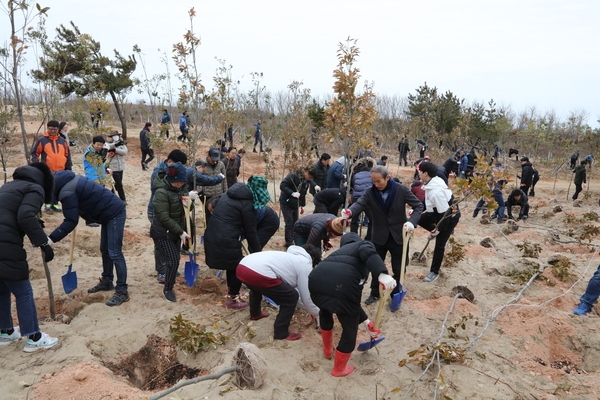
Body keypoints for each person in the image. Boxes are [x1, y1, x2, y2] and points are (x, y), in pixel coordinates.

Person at [308, 232, 396, 377]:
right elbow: (351, 302)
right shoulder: (362, 245)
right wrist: (382, 274)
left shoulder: (336, 254)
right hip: (342, 283)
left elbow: (350, 302)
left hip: (316, 281)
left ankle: (328, 351)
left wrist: (367, 321)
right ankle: (339, 369)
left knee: (325, 311)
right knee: (350, 328)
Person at [344, 165, 423, 307]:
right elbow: (360, 204)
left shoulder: (401, 190)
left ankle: (394, 293)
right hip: (379, 236)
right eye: (373, 181)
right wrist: (349, 213)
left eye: (378, 181)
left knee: (400, 267)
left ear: (387, 177)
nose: (376, 184)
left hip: (399, 236)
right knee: (376, 265)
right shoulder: (370, 192)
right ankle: (375, 293)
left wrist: (412, 222)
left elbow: (418, 206)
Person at [0, 162, 59, 352]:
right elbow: (24, 216)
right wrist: (43, 244)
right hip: (6, 243)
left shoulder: (8, 186)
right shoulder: (35, 188)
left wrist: (36, 223)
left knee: (2, 287)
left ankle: (5, 331)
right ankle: (34, 337)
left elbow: (12, 212)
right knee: (23, 291)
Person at [49, 170, 129, 307]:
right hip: (106, 212)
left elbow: (70, 221)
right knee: (105, 249)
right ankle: (107, 280)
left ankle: (122, 290)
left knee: (114, 252)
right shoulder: (66, 181)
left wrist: (51, 238)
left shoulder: (67, 192)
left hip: (114, 211)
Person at [236, 244, 321, 341]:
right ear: (313, 259)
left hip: (242, 267)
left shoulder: (289, 257)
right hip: (257, 272)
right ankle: (281, 333)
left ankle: (255, 314)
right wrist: (319, 312)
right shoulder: (305, 264)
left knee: (256, 287)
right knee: (291, 296)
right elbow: (305, 298)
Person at [204, 182, 262, 309]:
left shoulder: (226, 195)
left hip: (212, 234)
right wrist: (258, 254)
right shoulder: (248, 204)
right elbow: (251, 232)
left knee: (232, 264)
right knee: (239, 266)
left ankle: (232, 291)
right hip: (226, 239)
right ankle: (232, 300)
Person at [151, 162, 196, 302]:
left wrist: (190, 200)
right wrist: (181, 232)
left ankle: (170, 281)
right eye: (177, 183)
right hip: (163, 232)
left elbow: (187, 209)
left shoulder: (182, 188)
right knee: (172, 261)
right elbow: (164, 217)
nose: (180, 185)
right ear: (171, 180)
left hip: (176, 230)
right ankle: (168, 289)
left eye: (182, 182)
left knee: (174, 260)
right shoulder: (161, 193)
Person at [415, 162, 461, 282]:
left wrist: (438, 230)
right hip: (438, 211)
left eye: (420, 171)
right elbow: (426, 201)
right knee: (418, 219)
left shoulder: (436, 192)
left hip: (450, 216)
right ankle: (437, 230)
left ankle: (434, 272)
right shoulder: (431, 183)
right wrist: (416, 210)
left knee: (440, 244)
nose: (418, 173)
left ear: (425, 173)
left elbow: (445, 215)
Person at [148, 150, 188, 283]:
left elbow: (182, 190)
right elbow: (158, 196)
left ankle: (171, 266)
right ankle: (162, 270)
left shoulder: (180, 177)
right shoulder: (159, 174)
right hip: (158, 210)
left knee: (173, 238)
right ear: (170, 161)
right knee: (162, 240)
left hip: (174, 211)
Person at [31, 120, 72, 211]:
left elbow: (67, 154)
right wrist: (36, 164)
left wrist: (69, 165)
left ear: (58, 129)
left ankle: (55, 203)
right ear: (47, 128)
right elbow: (34, 153)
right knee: (48, 186)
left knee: (58, 186)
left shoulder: (62, 140)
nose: (53, 131)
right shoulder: (42, 140)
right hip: (48, 169)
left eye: (55, 129)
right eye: (51, 129)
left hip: (61, 170)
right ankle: (48, 203)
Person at [279, 167, 317, 247]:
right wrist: (292, 193)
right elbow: (282, 185)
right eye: (309, 177)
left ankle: (294, 240)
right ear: (306, 172)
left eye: (311, 178)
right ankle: (288, 243)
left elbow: (303, 193)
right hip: (286, 202)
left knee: (295, 223)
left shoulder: (306, 181)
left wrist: (302, 205)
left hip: (296, 204)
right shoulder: (293, 177)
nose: (309, 179)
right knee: (289, 223)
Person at [246, 175, 279, 249]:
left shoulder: (254, 204)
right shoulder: (247, 195)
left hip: (270, 222)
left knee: (254, 248)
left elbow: (249, 228)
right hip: (260, 218)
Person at [202, 148, 228, 224]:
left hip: (219, 194)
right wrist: (201, 192)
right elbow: (199, 179)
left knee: (220, 215)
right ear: (208, 156)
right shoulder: (203, 165)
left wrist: (226, 192)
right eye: (213, 159)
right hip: (207, 195)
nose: (215, 161)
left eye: (216, 159)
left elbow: (224, 179)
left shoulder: (221, 164)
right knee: (209, 216)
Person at [349, 160, 373, 240]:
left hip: (357, 198)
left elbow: (353, 186)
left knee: (354, 219)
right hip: (368, 198)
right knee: (372, 219)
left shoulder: (356, 175)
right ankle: (368, 238)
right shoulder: (372, 175)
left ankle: (353, 237)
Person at [105, 131, 128, 202]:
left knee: (117, 184)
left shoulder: (121, 144)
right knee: (119, 184)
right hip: (113, 168)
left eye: (117, 135)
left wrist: (115, 150)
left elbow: (125, 152)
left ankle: (113, 196)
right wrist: (115, 145)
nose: (116, 137)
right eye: (114, 136)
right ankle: (123, 199)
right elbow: (107, 148)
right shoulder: (108, 144)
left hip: (121, 167)